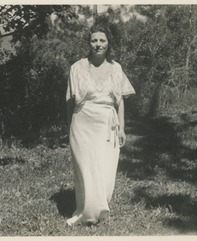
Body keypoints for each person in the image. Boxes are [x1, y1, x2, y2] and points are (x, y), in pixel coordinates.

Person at [65, 24, 135, 226]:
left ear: (109, 43)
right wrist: (68, 127)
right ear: (88, 43)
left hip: (107, 125)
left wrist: (121, 128)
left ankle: (100, 210)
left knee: (104, 169)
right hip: (82, 124)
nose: (98, 44)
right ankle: (85, 211)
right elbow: (69, 101)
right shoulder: (76, 68)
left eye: (102, 40)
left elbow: (119, 100)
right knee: (85, 168)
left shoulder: (116, 68)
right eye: (94, 40)